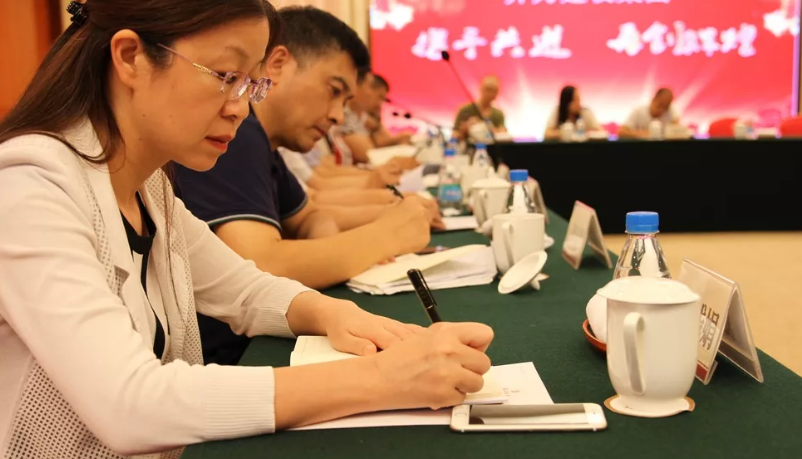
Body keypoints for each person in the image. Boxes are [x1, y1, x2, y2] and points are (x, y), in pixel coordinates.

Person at [0, 1, 494, 457]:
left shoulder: (150, 190)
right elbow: (131, 403)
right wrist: (382, 378)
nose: (239, 107)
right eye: (225, 76)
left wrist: (336, 313)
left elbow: (244, 289)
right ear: (131, 57)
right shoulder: (30, 188)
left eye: (251, 85)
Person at [174, 6, 441, 363]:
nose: (337, 116)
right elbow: (259, 264)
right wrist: (386, 236)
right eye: (225, 76)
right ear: (279, 65)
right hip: (235, 357)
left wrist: (338, 247)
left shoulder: (259, 140)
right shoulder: (235, 136)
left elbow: (311, 215)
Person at [453, 75, 507, 140]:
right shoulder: (465, 110)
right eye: (488, 89)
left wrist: (493, 130)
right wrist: (465, 130)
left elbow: (503, 132)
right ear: (480, 89)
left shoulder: (498, 114)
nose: (490, 94)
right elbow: (454, 136)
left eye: (494, 91)